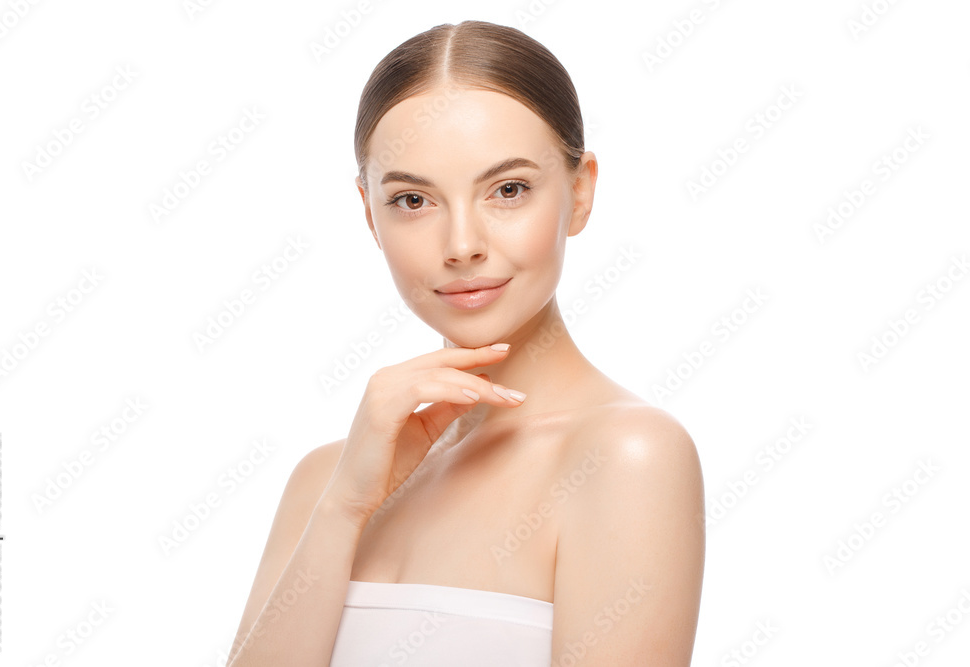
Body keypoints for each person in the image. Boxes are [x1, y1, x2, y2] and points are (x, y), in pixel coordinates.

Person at [226, 19, 705, 666]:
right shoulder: (327, 481)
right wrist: (342, 509)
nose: (461, 245)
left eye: (508, 190)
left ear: (580, 191)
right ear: (370, 214)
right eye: (413, 200)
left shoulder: (627, 455)